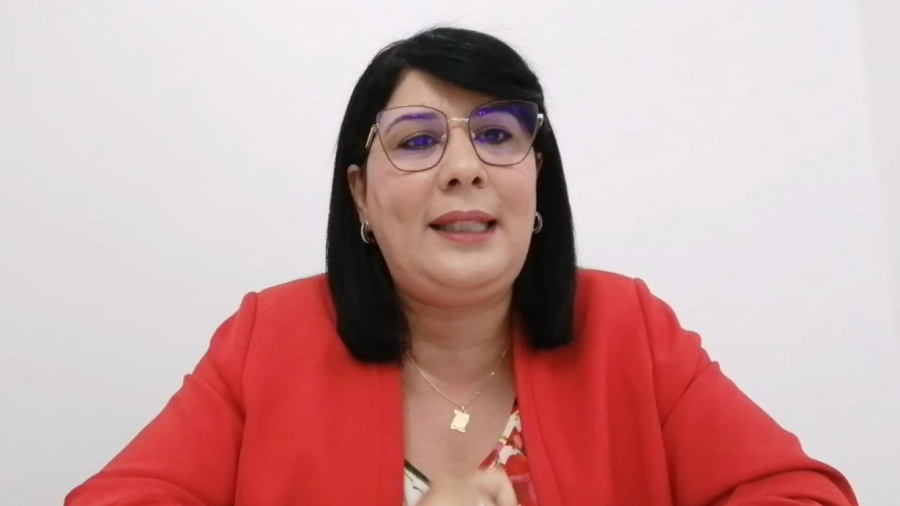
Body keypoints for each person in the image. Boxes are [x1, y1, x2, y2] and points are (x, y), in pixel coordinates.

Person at [65, 27, 858, 506]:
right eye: (417, 140)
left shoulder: (629, 329)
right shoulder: (265, 340)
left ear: (536, 178)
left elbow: (803, 495)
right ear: (361, 195)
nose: (464, 168)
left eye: (499, 135)